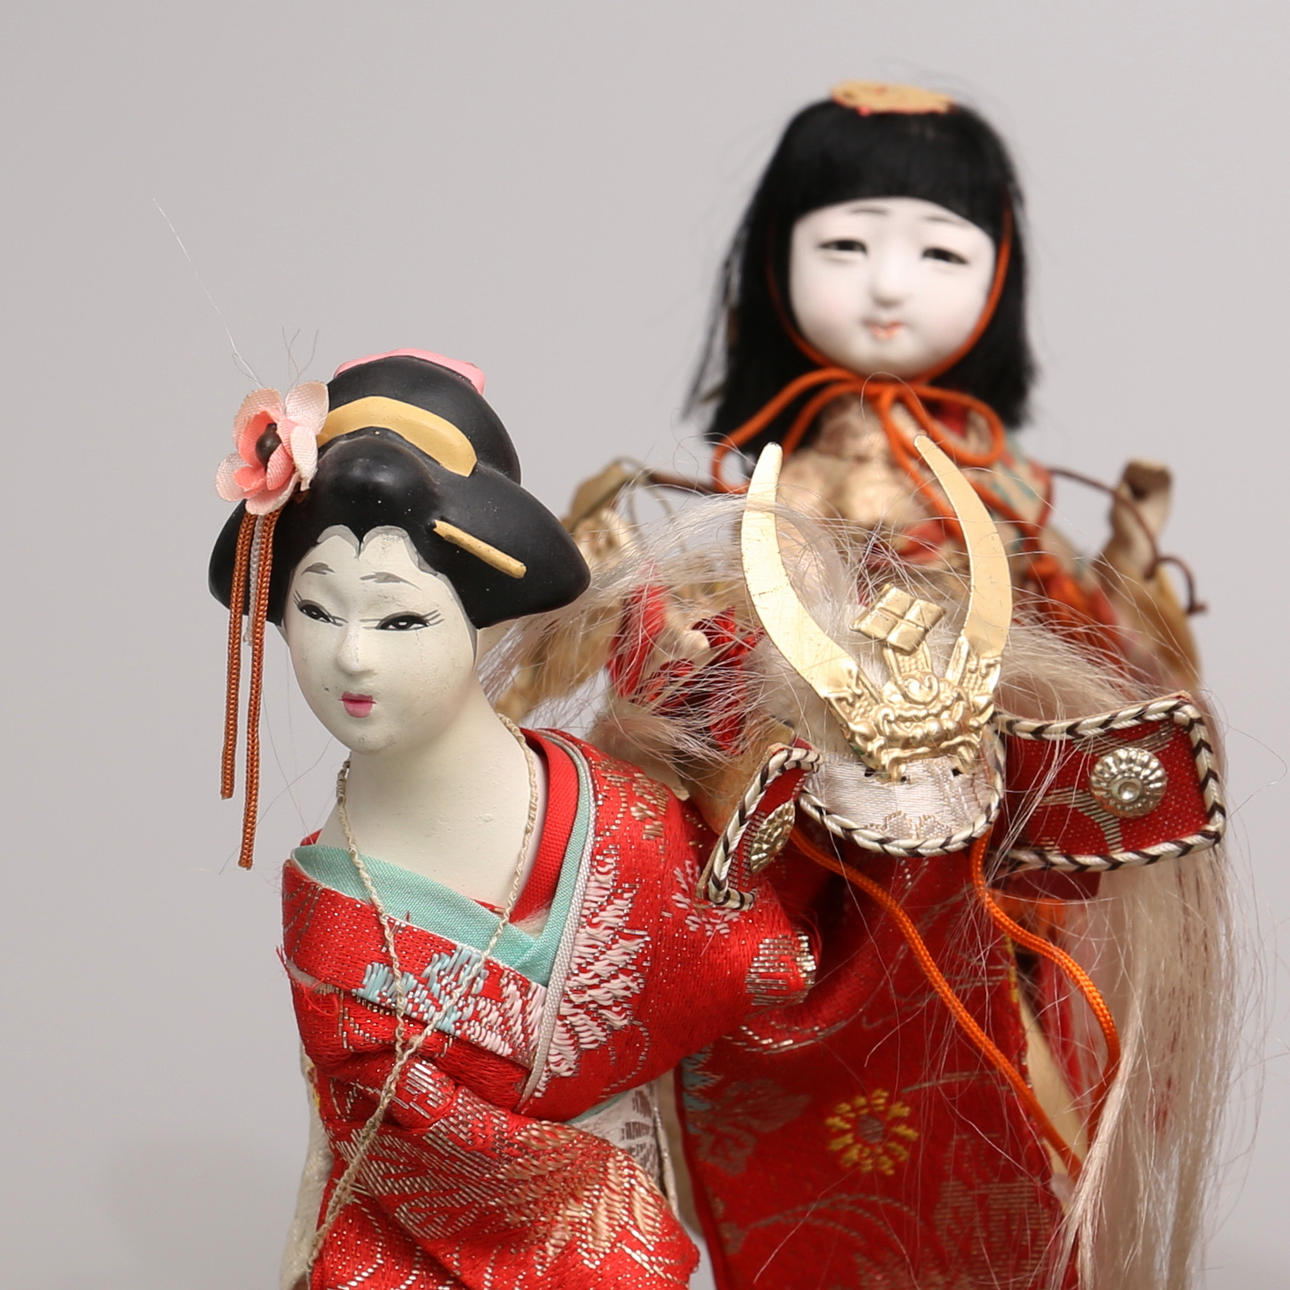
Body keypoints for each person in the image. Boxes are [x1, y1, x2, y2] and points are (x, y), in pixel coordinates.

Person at [208, 350, 821, 1290]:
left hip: (636, 1173)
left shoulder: (614, 807)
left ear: (486, 615)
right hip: (419, 1248)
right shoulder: (332, 925)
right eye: (318, 612)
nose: (351, 658)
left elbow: (754, 962)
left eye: (399, 621)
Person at [693, 80, 1199, 690]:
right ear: (777, 262)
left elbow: (1090, 635)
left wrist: (1129, 554)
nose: (889, 286)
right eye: (846, 246)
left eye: (940, 254)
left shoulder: (1002, 476)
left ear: (998, 275)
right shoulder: (802, 479)